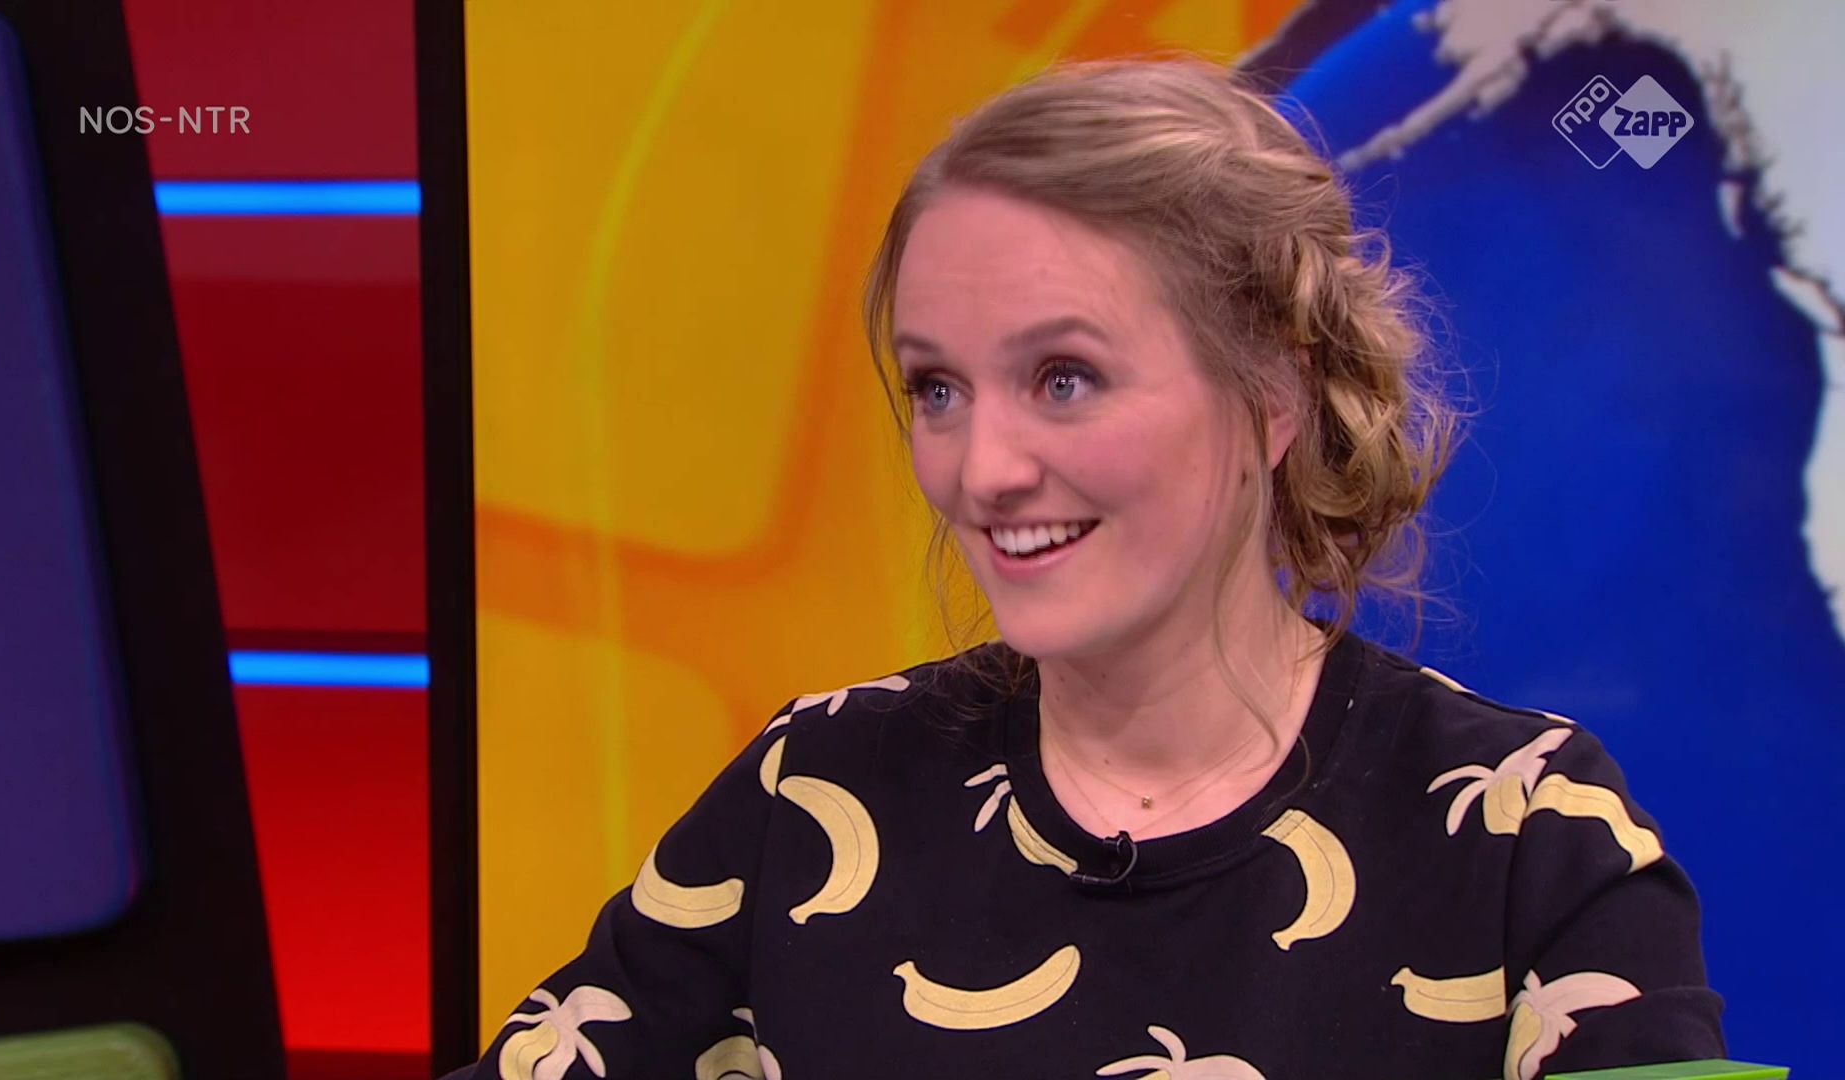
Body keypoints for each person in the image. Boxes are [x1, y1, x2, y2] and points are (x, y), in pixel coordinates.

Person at [457, 54, 1724, 1080]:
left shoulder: (1524, 834)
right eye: (938, 388)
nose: (981, 469)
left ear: (1272, 395)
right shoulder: (814, 794)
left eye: (1063, 378)